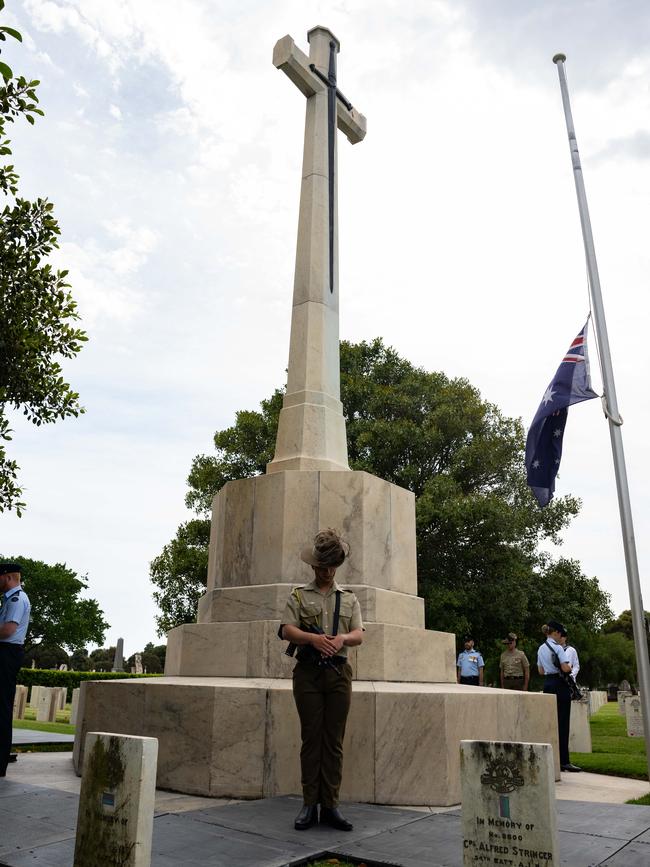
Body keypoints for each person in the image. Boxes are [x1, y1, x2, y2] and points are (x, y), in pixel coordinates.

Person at [280, 530, 364, 832]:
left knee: (334, 741)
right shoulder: (299, 596)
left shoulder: (349, 599)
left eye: (331, 566)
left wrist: (341, 638)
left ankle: (330, 805)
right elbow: (287, 630)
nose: (326, 571)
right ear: (313, 566)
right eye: (321, 566)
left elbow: (358, 634)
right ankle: (309, 804)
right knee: (311, 738)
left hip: (339, 672)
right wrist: (313, 639)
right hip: (308, 673)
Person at [537, 620, 581, 773]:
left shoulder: (541, 648)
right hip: (560, 684)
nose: (560, 636)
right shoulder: (558, 648)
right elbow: (565, 668)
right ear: (554, 632)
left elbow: (541, 671)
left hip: (548, 684)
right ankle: (564, 761)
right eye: (560, 633)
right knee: (562, 723)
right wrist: (568, 667)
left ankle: (552, 758)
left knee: (551, 722)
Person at [0, 562, 31, 777]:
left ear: (7, 577)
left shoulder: (16, 599)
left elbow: (8, 630)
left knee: (1, 708)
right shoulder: (10, 599)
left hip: (6, 652)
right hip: (6, 652)